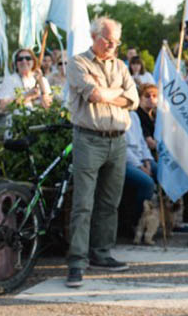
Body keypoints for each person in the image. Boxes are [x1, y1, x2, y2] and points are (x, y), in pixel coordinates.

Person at [65, 17, 139, 288]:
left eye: (117, 40)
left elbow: (134, 100)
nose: (113, 45)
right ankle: (76, 262)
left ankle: (102, 253)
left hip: (118, 140)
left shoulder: (120, 65)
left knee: (109, 202)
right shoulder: (77, 63)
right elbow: (94, 95)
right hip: (88, 139)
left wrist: (110, 93)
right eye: (108, 39)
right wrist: (116, 93)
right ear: (94, 36)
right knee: (83, 203)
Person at [123, 109, 157, 229]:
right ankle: (136, 221)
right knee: (147, 183)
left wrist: (147, 161)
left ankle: (168, 219)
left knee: (162, 172)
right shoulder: (118, 115)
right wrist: (140, 166)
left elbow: (142, 143)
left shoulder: (134, 115)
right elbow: (124, 149)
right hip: (126, 161)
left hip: (141, 158)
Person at [136, 83, 158, 152]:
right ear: (140, 98)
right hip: (143, 154)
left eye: (154, 96)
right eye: (147, 96)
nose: (151, 98)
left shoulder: (156, 115)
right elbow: (150, 143)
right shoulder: (137, 115)